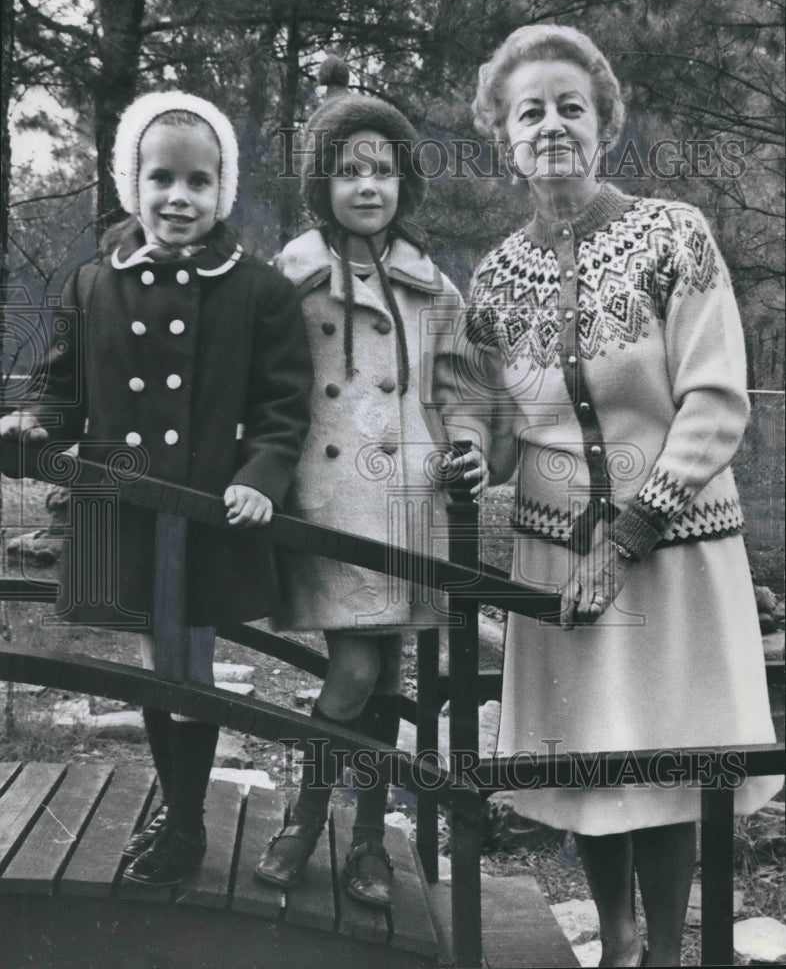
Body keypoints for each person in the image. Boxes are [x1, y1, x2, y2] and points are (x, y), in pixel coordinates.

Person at [467, 24, 782, 968]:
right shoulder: (491, 278)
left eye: (573, 106)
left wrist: (632, 532)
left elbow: (717, 400)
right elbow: (491, 415)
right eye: (532, 112)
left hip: (676, 551)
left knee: (673, 760)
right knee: (590, 758)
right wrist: (470, 455)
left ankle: (673, 952)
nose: (553, 125)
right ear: (504, 137)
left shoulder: (673, 234)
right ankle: (621, 945)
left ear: (605, 124)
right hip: (553, 551)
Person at [0, 91, 313, 887]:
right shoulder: (91, 284)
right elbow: (60, 389)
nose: (179, 198)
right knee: (152, 660)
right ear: (131, 183)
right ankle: (178, 813)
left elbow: (283, 410)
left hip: (204, 512)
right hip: (125, 510)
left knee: (187, 663)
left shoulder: (262, 291)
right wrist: (35, 423)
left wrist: (260, 478)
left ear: (223, 191)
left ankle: (183, 824)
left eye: (199, 182)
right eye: (161, 178)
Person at [254, 56, 486, 909]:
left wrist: (466, 447)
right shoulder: (289, 278)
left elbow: (461, 390)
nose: (367, 185)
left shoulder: (436, 287)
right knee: (355, 673)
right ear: (323, 183)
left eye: (382, 169)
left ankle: (366, 844)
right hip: (328, 501)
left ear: (404, 183)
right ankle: (307, 824)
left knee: (386, 677)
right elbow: (266, 388)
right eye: (348, 169)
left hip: (408, 503)